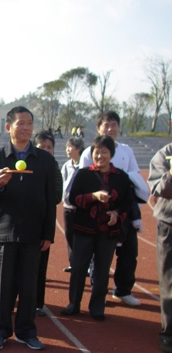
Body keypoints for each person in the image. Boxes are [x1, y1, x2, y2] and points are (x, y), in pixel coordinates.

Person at [0, 106, 56, 351]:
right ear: (8, 127)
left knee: (29, 286)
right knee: (1, 286)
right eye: (21, 123)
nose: (26, 128)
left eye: (29, 123)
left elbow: (51, 199)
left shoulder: (45, 160)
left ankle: (26, 332)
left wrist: (48, 234)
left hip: (33, 233)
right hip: (3, 233)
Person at [79, 111, 149, 306]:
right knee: (100, 255)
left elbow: (134, 175)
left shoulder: (126, 151)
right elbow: (83, 179)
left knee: (129, 252)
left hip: (124, 209)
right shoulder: (89, 152)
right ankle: (98, 293)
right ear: (98, 128)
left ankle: (123, 290)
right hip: (99, 211)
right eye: (106, 125)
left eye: (114, 125)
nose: (110, 129)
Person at [61, 136, 133, 321]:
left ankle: (97, 307)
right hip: (84, 228)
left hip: (108, 232)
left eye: (104, 152)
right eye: (96, 152)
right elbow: (73, 198)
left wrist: (116, 213)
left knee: (102, 270)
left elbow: (127, 202)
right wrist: (93, 196)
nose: (100, 156)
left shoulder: (121, 177)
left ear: (111, 154)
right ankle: (73, 304)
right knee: (78, 268)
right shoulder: (83, 174)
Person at [33, 131, 63, 317]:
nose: (46, 150)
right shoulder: (26, 165)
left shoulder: (54, 168)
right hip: (24, 224)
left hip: (43, 224)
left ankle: (38, 303)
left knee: (40, 265)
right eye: (42, 146)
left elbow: (57, 196)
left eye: (49, 147)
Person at [147, 143, 172, 353]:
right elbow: (160, 189)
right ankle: (169, 333)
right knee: (170, 282)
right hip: (170, 225)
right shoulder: (165, 155)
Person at [61, 137, 85, 273]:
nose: (67, 150)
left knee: (82, 236)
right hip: (67, 207)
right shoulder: (66, 165)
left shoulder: (85, 165)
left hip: (82, 208)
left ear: (79, 148)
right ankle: (73, 263)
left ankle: (86, 264)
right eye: (67, 147)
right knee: (69, 235)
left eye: (70, 147)